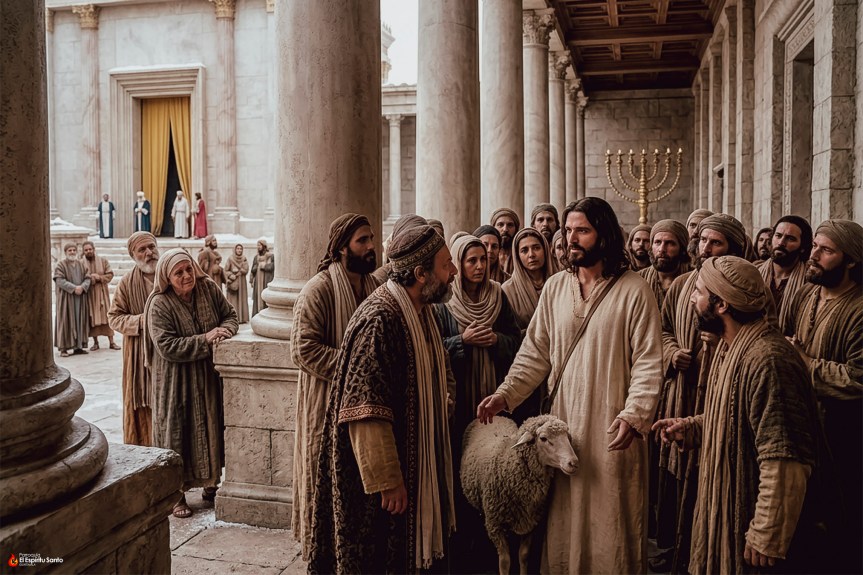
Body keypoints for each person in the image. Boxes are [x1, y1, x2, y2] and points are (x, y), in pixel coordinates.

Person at [477, 196, 663, 574]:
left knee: (611, 515)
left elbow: (648, 361)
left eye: (583, 230)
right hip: (565, 429)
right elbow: (534, 354)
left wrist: (635, 414)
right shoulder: (556, 288)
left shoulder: (634, 290)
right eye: (569, 231)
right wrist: (505, 395)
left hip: (613, 427)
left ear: (605, 235)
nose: (572, 238)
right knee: (565, 518)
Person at [653, 256, 820, 574]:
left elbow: (785, 459)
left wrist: (766, 534)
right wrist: (693, 428)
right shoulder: (729, 347)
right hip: (724, 512)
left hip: (749, 526)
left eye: (699, 292)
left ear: (721, 305)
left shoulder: (769, 361)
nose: (691, 297)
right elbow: (734, 417)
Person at [309, 225, 457, 574]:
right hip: (379, 484)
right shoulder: (380, 319)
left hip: (411, 461)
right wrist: (388, 480)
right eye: (445, 265)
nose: (452, 272)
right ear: (421, 274)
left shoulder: (420, 310)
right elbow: (364, 409)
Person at [653, 212, 749, 572]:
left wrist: (721, 344)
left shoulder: (744, 285)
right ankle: (679, 548)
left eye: (716, 243)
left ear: (734, 248)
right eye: (703, 241)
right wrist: (673, 352)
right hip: (684, 391)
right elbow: (660, 330)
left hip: (723, 393)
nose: (705, 248)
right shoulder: (682, 286)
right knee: (681, 472)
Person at [291, 213, 380, 560]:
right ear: (342, 248)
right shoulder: (319, 289)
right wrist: (353, 368)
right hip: (326, 402)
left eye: (371, 238)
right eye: (362, 241)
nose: (371, 246)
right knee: (323, 481)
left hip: (364, 405)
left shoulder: (373, 287)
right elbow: (304, 349)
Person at [433, 234, 522, 572]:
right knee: (458, 462)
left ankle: (489, 539)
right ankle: (460, 539)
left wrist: (497, 340)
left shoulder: (498, 296)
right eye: (471, 260)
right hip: (458, 394)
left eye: (483, 260)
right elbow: (433, 347)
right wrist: (461, 341)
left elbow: (516, 341)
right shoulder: (444, 302)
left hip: (490, 392)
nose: (479, 266)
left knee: (489, 466)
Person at [784, 219, 862, 574]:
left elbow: (857, 378)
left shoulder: (859, 309)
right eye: (814, 246)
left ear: (851, 261)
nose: (813, 255)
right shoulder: (807, 293)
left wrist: (805, 363)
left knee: (841, 526)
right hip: (802, 428)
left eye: (826, 250)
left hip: (843, 439)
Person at [144, 248, 238, 518]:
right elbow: (166, 345)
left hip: (207, 376)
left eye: (189, 269)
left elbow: (229, 315)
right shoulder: (159, 303)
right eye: (179, 272)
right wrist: (205, 339)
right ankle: (177, 495)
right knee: (177, 432)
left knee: (210, 427)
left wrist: (225, 331)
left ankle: (210, 484)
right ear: (167, 277)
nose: (186, 276)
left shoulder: (207, 288)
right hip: (175, 381)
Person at [108, 232, 160, 446]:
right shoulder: (126, 283)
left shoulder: (171, 276)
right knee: (143, 405)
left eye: (151, 247)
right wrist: (142, 321)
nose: (149, 253)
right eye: (142, 250)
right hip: (138, 356)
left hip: (168, 352)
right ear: (133, 256)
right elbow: (114, 318)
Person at [755, 215, 811, 330]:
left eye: (790, 239)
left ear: (803, 247)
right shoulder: (753, 272)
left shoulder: (809, 281)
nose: (781, 243)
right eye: (778, 236)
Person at [502, 227, 554, 331]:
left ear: (545, 250)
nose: (531, 255)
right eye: (524, 250)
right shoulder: (508, 290)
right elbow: (508, 333)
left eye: (536, 248)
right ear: (517, 256)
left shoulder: (560, 283)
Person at [639, 219, 690, 310]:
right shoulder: (639, 279)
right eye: (657, 242)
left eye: (670, 243)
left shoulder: (694, 280)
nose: (662, 249)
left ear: (682, 248)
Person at [54, 243, 91, 357]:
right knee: (65, 321)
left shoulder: (81, 265)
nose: (72, 252)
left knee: (80, 321)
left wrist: (82, 287)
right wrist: (74, 288)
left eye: (74, 250)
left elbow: (88, 278)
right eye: (69, 250)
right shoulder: (61, 265)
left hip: (80, 299)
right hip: (67, 300)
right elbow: (59, 280)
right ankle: (63, 348)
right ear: (65, 252)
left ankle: (78, 347)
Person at [81, 241, 120, 351]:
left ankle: (112, 342)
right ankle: (95, 342)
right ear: (83, 252)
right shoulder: (81, 263)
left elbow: (110, 275)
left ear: (94, 249)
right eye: (86, 250)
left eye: (90, 249)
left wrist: (99, 277)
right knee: (92, 317)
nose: (88, 251)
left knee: (106, 317)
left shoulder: (103, 261)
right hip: (89, 295)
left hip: (102, 294)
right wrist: (89, 278)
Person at [224, 244, 250, 323]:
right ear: (235, 250)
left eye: (241, 249)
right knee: (233, 300)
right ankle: (233, 317)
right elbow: (225, 270)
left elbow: (246, 269)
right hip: (233, 281)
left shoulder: (244, 258)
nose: (239, 250)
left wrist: (242, 270)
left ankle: (242, 318)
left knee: (242, 299)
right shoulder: (230, 259)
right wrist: (230, 275)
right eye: (238, 249)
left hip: (242, 281)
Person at [491, 208, 520, 276]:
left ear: (516, 229)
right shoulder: (487, 254)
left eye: (510, 225)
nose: (505, 229)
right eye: (500, 225)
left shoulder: (520, 255)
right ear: (493, 228)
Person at [251, 239, 274, 316]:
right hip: (258, 281)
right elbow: (253, 268)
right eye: (257, 245)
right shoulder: (256, 257)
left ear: (264, 246)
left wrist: (265, 266)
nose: (258, 247)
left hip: (266, 280)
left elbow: (273, 266)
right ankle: (257, 314)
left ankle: (266, 314)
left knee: (265, 297)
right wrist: (255, 268)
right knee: (257, 297)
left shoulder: (270, 256)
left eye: (260, 245)